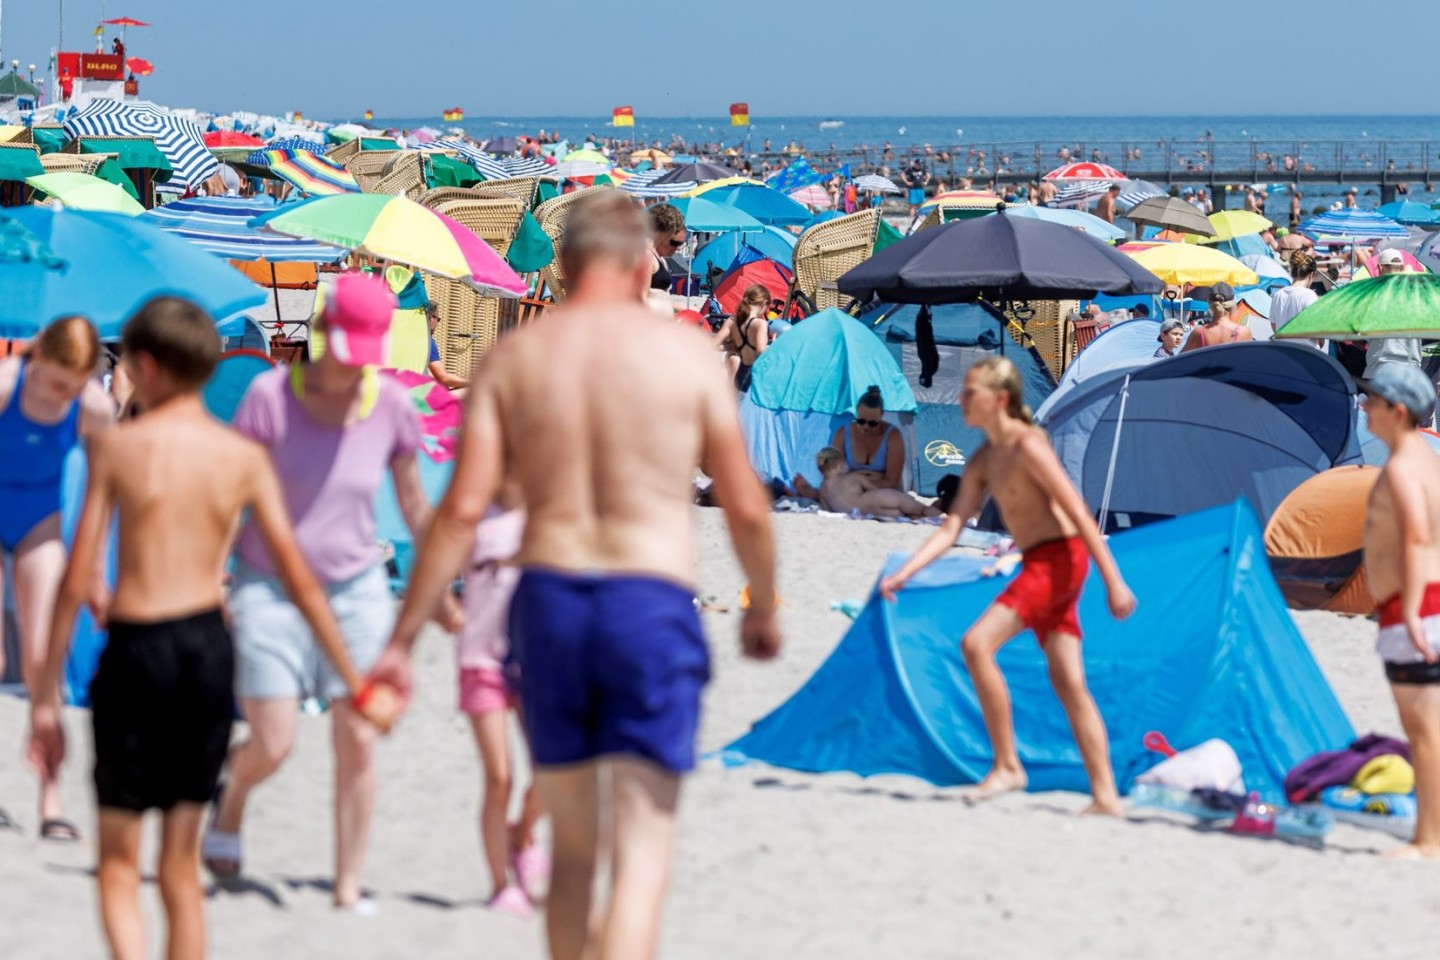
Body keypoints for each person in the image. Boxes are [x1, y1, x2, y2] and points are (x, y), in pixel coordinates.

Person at [367, 190, 782, 960]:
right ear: (639, 262)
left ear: (560, 266)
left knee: (575, 851)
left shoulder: (517, 357)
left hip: (548, 600)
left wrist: (399, 640)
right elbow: (746, 504)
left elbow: (458, 513)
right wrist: (765, 605)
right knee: (642, 857)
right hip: (648, 599)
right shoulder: (684, 355)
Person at [28, 298, 381, 960]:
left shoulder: (115, 447)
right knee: (182, 873)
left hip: (137, 647)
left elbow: (77, 582)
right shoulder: (241, 457)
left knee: (118, 864)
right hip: (207, 652)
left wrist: (45, 703)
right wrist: (354, 676)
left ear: (147, 367)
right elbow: (299, 578)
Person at [204, 273, 439, 911]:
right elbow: (233, 495)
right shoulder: (270, 397)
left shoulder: (389, 404)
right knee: (274, 740)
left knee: (358, 737)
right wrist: (215, 576)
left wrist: (442, 581)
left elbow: (415, 504)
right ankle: (232, 801)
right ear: (322, 332)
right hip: (267, 585)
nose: (353, 366)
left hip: (357, 587)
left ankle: (347, 882)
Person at [878, 357, 1136, 812]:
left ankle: (1007, 767)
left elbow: (1078, 513)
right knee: (1069, 681)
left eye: (970, 392)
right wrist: (905, 573)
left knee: (977, 645)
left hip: (1060, 561)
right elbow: (951, 528)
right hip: (1038, 559)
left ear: (999, 400)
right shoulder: (981, 460)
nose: (961, 400)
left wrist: (1114, 581)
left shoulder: (1028, 445)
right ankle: (1105, 795)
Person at [0, 316, 114, 842]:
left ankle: (50, 797)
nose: (61, 395)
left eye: (73, 385)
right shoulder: (7, 383)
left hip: (39, 524)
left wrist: (91, 565)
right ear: (37, 358)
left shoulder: (92, 406)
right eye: (54, 383)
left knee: (46, 658)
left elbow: (102, 490)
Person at [1360, 363, 1440, 859]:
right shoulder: (1429, 458)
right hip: (1428, 599)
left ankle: (1429, 838)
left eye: (1373, 401)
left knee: (1423, 730)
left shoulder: (1403, 467)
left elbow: (1414, 533)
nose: (1365, 407)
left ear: (1399, 410)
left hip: (1415, 606)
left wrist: (1408, 610)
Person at [456, 486, 548, 917]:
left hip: (535, 661)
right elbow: (434, 560)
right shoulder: (470, 510)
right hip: (481, 660)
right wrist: (445, 611)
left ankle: (522, 834)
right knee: (500, 777)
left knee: (551, 771)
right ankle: (499, 884)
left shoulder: (547, 510)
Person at [793, 385, 907, 497]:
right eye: (861, 421)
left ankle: (816, 495)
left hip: (881, 489)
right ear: (856, 412)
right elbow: (832, 472)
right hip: (851, 487)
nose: (866, 427)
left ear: (882, 415)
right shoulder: (843, 434)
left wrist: (861, 485)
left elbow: (892, 481)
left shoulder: (893, 435)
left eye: (872, 423)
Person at [815, 447, 939, 519]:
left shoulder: (823, 489)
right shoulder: (853, 477)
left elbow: (828, 511)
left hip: (877, 513)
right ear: (841, 465)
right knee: (922, 509)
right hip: (879, 499)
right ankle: (945, 520)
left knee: (909, 514)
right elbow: (874, 489)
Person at [1364, 249, 1423, 385]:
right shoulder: (1418, 294)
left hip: (1380, 367)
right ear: (1401, 268)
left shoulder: (1373, 293)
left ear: (1379, 267)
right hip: (1410, 369)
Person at [712, 283, 770, 392]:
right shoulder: (760, 324)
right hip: (753, 375)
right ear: (764, 303)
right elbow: (760, 350)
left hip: (740, 374)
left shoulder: (731, 321)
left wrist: (731, 347)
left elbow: (713, 345)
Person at [1269, 250, 1324, 351]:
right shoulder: (1309, 295)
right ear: (1311, 274)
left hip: (1283, 352)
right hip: (1305, 353)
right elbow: (1317, 331)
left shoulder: (1278, 295)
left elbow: (1274, 326)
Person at [1181, 281, 1253, 352]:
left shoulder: (1199, 333)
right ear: (1232, 305)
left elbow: (1180, 360)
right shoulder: (1244, 332)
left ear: (1210, 304)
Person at [646, 203, 686, 318]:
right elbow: (640, 298)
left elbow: (660, 297)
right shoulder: (646, 256)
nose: (677, 248)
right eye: (674, 242)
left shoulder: (660, 258)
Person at [425, 305, 468, 392]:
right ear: (431, 318)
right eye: (438, 319)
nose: (437, 323)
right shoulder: (427, 342)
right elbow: (443, 378)